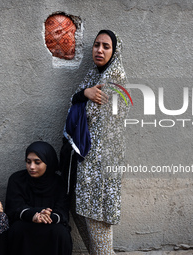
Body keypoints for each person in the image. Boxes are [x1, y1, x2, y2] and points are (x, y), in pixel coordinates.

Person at [61, 29, 130, 254]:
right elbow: (76, 100)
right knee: (81, 211)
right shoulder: (94, 74)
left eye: (106, 46)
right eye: (96, 45)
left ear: (115, 50)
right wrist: (84, 93)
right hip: (86, 161)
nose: (99, 50)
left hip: (100, 168)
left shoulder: (115, 77)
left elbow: (88, 112)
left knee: (97, 221)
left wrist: (83, 96)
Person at [5, 141, 72, 255]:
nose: (31, 167)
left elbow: (62, 211)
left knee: (60, 232)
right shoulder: (17, 179)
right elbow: (14, 208)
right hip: (25, 223)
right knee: (16, 229)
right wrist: (33, 215)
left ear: (48, 162)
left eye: (37, 162)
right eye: (28, 162)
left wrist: (48, 217)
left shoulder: (59, 182)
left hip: (51, 225)